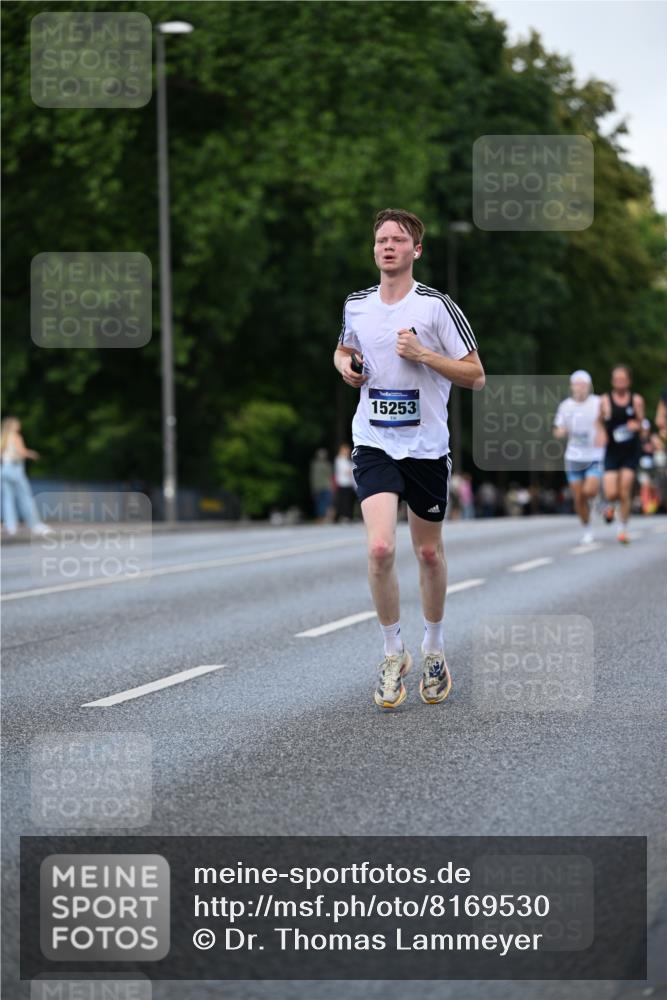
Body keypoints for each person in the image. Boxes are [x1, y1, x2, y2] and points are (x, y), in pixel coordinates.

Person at [333, 208, 484, 710]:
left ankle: (434, 648)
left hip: (425, 448)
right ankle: (393, 652)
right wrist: (346, 367)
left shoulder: (437, 307)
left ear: (416, 250)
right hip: (374, 440)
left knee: (427, 552)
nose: (388, 246)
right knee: (379, 548)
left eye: (398, 240)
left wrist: (424, 355)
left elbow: (475, 375)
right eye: (381, 239)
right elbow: (343, 349)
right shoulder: (357, 304)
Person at [552, 370, 604, 544]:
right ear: (572, 386)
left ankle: (600, 502)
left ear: (589, 386)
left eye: (583, 384)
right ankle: (587, 529)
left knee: (589, 490)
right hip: (573, 457)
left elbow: (608, 422)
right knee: (579, 497)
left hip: (594, 455)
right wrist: (561, 431)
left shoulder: (598, 403)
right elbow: (557, 428)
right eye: (577, 384)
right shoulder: (565, 406)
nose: (580, 388)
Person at [598, 365, 646, 544]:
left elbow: (643, 425)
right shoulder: (604, 400)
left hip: (630, 451)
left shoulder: (636, 400)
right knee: (611, 492)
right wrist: (601, 433)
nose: (620, 382)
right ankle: (610, 506)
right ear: (612, 381)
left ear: (629, 381)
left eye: (623, 379)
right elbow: (598, 422)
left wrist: (637, 426)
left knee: (625, 489)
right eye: (617, 379)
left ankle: (622, 528)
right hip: (612, 451)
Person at [0, 416, 52, 537]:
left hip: (4, 469)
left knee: (8, 499)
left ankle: (11, 527)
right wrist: (32, 454)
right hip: (15, 469)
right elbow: (22, 452)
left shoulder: (3, 438)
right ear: (13, 426)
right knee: (25, 497)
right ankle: (35, 525)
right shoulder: (16, 437)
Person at [333, 443, 356, 522]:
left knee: (349, 500)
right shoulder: (339, 459)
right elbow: (346, 471)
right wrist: (353, 470)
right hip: (342, 483)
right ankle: (343, 516)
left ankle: (348, 516)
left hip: (349, 483)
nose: (347, 451)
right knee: (344, 500)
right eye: (346, 450)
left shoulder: (347, 460)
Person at [309, 448, 333, 522]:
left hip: (325, 486)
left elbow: (330, 475)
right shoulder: (315, 464)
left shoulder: (326, 464)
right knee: (319, 503)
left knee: (325, 502)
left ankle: (324, 517)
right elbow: (313, 476)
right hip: (319, 486)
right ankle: (320, 517)